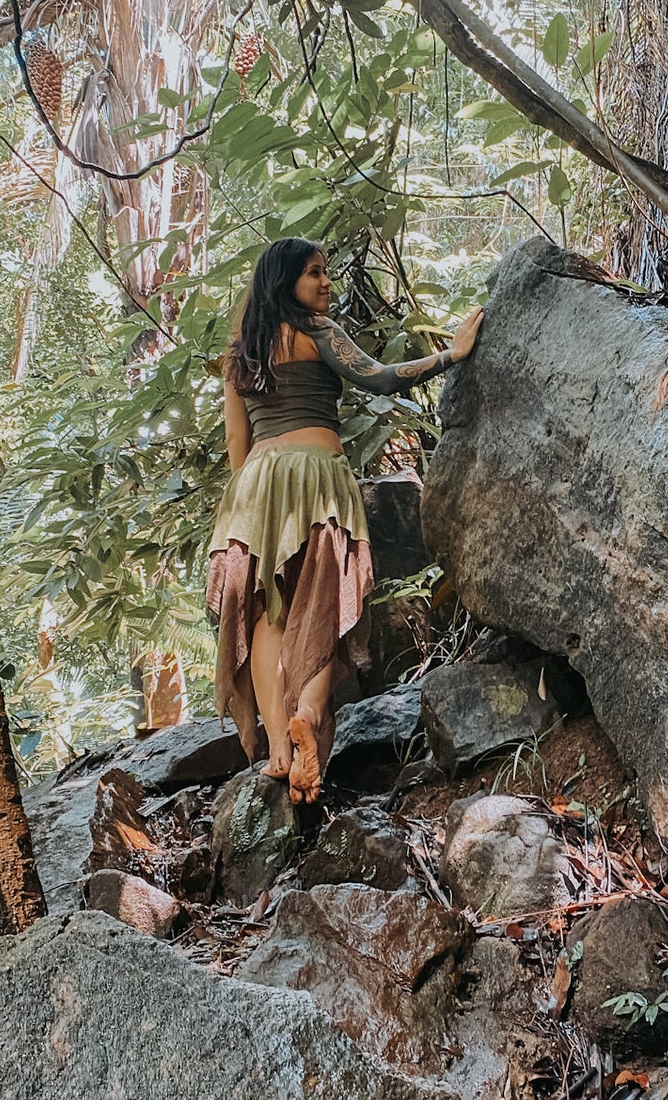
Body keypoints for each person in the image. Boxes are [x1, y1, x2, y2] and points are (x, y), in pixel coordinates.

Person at [206, 237, 483, 804]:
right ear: (286, 283)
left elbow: (238, 446)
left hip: (253, 491)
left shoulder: (239, 356)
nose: (326, 284)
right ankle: (307, 710)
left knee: (267, 613)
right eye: (314, 274)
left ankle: (279, 751)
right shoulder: (315, 331)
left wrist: (243, 514)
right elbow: (379, 377)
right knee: (321, 603)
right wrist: (451, 355)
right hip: (315, 476)